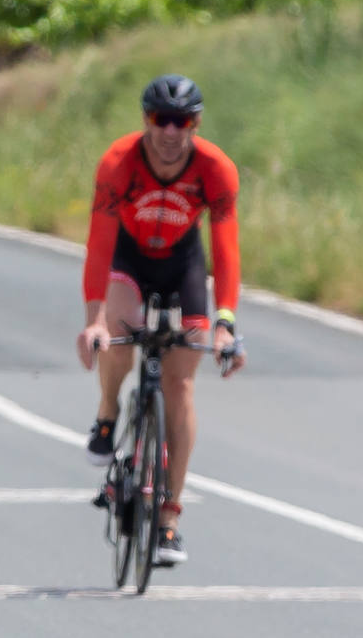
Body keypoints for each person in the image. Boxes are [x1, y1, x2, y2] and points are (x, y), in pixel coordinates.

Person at [76, 74, 246, 566]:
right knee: (119, 335)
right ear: (145, 120)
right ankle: (108, 414)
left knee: (182, 385)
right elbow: (99, 244)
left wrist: (225, 324)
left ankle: (169, 518)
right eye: (160, 120)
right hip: (129, 261)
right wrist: (94, 322)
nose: (171, 132)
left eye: (183, 122)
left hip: (183, 265)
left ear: (195, 124)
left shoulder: (216, 170)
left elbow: (226, 249)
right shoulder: (118, 163)